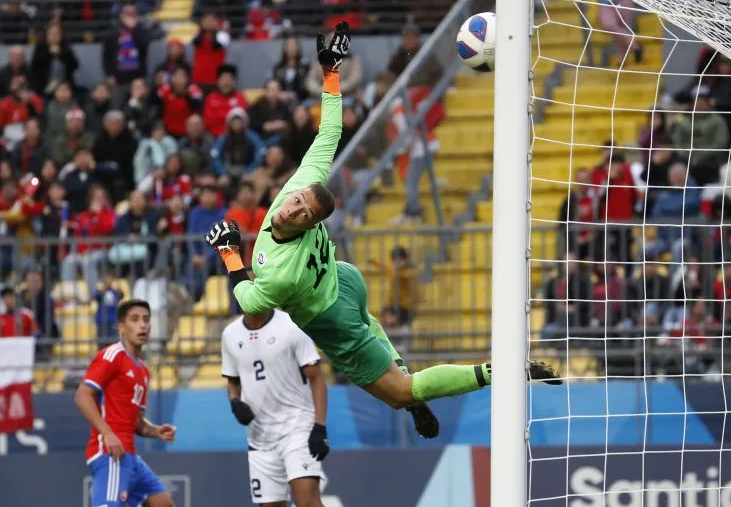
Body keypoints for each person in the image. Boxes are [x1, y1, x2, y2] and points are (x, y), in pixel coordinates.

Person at [206, 23, 561, 439]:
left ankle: (497, 371)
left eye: (303, 213)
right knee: (372, 329)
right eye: (297, 201)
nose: (292, 208)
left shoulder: (282, 271)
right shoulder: (300, 182)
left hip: (332, 317)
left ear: (310, 225)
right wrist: (331, 70)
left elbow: (250, 300)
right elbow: (329, 132)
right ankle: (408, 382)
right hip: (346, 279)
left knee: (399, 392)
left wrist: (230, 254)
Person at [221, 308, 389, 507]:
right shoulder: (230, 335)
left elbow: (317, 378)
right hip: (259, 438)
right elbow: (232, 381)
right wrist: (235, 403)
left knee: (307, 503)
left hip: (296, 427)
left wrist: (319, 428)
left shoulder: (291, 326)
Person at [55, 299, 205, 507]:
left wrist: (154, 430)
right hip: (109, 451)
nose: (143, 325)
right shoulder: (112, 356)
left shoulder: (142, 370)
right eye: (135, 319)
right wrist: (107, 433)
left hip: (129, 454)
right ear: (122, 326)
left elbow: (134, 421)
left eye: (146, 319)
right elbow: (83, 396)